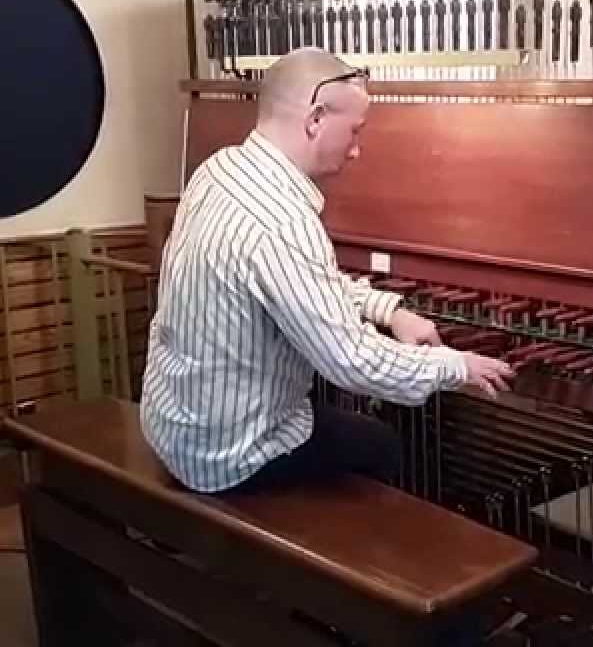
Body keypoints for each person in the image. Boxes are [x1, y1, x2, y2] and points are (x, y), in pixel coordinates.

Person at [139, 47, 514, 494]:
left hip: (171, 423)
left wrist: (388, 310)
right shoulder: (282, 220)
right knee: (383, 445)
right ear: (315, 119)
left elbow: (305, 284)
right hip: (225, 456)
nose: (356, 150)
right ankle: (379, 557)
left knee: (320, 399)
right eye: (354, 131)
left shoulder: (218, 170)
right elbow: (352, 361)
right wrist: (456, 366)